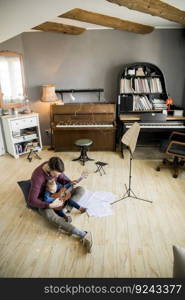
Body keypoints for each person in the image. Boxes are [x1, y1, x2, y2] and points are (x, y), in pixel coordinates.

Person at [28, 156, 92, 252]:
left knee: (80, 189)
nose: (57, 176)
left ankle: (64, 210)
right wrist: (50, 205)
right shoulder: (37, 176)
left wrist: (71, 181)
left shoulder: (53, 167)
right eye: (56, 175)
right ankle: (82, 234)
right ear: (50, 168)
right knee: (50, 216)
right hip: (45, 201)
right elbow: (31, 200)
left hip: (58, 194)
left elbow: (63, 178)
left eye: (58, 174)